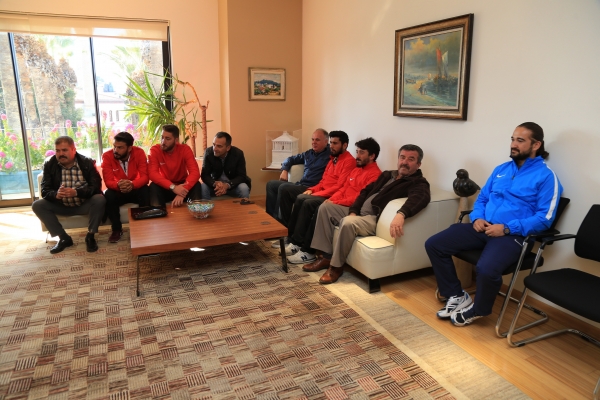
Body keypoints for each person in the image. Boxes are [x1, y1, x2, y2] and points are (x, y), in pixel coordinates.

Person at [425, 122, 563, 327]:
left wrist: (507, 228)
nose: (513, 144)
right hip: (484, 227)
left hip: (513, 236)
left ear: (536, 145)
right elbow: (482, 198)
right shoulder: (502, 169)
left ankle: (479, 310)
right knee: (435, 244)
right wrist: (477, 218)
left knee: (487, 269)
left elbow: (545, 218)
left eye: (520, 140)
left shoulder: (546, 177)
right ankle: (456, 294)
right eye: (513, 139)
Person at [306, 144, 430, 284]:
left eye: (411, 159)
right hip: (360, 213)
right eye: (402, 157)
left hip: (375, 219)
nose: (405, 162)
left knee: (348, 222)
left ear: (418, 164)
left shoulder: (418, 183)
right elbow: (365, 191)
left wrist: (401, 214)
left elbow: (421, 198)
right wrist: (353, 211)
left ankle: (336, 267)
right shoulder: (388, 175)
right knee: (325, 208)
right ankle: (326, 256)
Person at [286, 137, 382, 264]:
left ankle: (308, 252)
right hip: (341, 202)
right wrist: (331, 199)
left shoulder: (375, 175)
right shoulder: (356, 169)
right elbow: (343, 189)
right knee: (315, 203)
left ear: (372, 156)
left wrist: (334, 202)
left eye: (361, 152)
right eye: (357, 152)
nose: (357, 156)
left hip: (353, 208)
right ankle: (296, 243)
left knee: (320, 207)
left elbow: (359, 198)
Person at [280, 130, 355, 251]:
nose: (331, 146)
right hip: (322, 192)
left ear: (345, 145)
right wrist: (312, 189)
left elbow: (339, 186)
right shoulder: (332, 159)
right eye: (331, 143)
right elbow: (323, 181)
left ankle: (297, 242)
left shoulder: (349, 161)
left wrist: (317, 193)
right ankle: (291, 237)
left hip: (331, 195)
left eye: (335, 143)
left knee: (305, 201)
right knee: (300, 197)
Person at [32, 136, 105, 253]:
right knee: (37, 205)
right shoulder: (50, 165)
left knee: (99, 199)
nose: (61, 154)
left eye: (64, 150)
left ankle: (90, 236)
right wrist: (56, 194)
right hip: (61, 205)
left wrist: (76, 192)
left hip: (83, 204)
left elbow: (96, 187)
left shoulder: (87, 163)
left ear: (73, 150)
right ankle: (64, 238)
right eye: (58, 151)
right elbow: (45, 190)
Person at [265, 128, 331, 245]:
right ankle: (272, 224)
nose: (314, 142)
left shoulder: (330, 156)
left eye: (317, 140)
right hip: (300, 185)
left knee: (284, 189)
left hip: (312, 188)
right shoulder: (309, 153)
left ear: (326, 142)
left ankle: (283, 230)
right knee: (271, 184)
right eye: (312, 139)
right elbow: (290, 159)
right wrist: (285, 169)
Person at [101, 131, 149, 243]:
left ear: (129, 148)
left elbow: (145, 177)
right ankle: (117, 230)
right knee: (108, 194)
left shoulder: (139, 153)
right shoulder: (107, 156)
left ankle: (143, 226)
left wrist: (132, 184)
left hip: (134, 188)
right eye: (114, 146)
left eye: (120, 147)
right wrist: (118, 185)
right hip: (119, 190)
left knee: (145, 189)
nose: (116, 150)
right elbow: (108, 181)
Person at [148, 124, 202, 207]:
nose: (163, 142)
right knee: (153, 186)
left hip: (182, 185)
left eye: (167, 139)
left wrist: (182, 191)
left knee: (196, 184)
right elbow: (153, 174)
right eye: (162, 137)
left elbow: (195, 173)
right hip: (166, 186)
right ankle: (158, 212)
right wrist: (173, 187)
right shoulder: (155, 150)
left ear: (176, 140)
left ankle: (197, 211)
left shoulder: (185, 149)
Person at [200, 131, 251, 200]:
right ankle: (206, 206)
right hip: (216, 186)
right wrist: (215, 183)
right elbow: (205, 175)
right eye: (214, 144)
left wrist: (227, 185)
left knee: (243, 188)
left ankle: (244, 206)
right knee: (203, 187)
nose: (215, 148)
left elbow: (242, 176)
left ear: (228, 148)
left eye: (219, 146)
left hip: (233, 186)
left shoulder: (238, 154)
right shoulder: (208, 153)